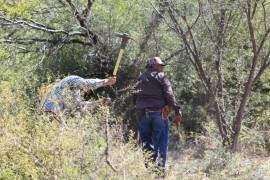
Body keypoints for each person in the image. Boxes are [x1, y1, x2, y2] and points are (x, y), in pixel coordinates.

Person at [135, 57, 182, 171]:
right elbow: (169, 94)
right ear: (153, 66)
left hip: (142, 115)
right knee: (162, 141)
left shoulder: (140, 78)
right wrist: (176, 109)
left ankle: (150, 170)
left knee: (146, 143)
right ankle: (160, 171)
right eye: (160, 65)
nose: (162, 67)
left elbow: (134, 96)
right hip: (159, 114)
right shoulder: (162, 77)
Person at [41, 75, 116, 116]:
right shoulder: (75, 82)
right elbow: (87, 83)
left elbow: (77, 105)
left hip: (49, 113)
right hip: (48, 111)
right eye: (89, 89)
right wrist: (105, 81)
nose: (87, 91)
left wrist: (99, 102)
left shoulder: (75, 90)